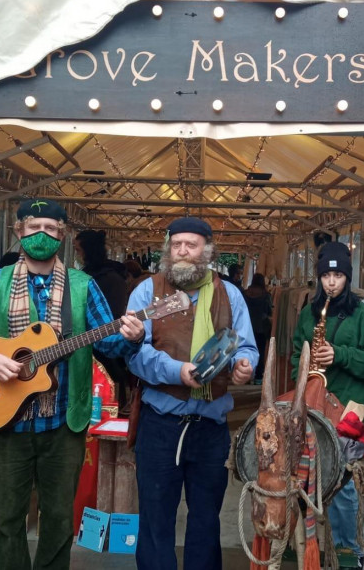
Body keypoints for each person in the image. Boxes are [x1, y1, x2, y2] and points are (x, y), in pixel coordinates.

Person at [0, 199, 144, 570]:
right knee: (7, 519)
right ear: (19, 232)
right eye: (34, 228)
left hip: (63, 424)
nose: (42, 235)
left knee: (60, 520)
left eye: (50, 228)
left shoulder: (83, 286)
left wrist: (132, 335)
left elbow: (106, 342)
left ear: (62, 235)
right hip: (5, 422)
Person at [126, 216, 258, 570]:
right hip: (160, 427)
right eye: (176, 244)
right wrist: (177, 372)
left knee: (205, 522)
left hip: (210, 428)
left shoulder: (230, 295)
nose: (183, 251)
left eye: (192, 244)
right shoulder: (146, 292)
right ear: (168, 248)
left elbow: (245, 346)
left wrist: (245, 365)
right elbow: (136, 355)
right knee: (156, 522)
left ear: (207, 251)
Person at [290, 241, 364, 569]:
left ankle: (349, 555)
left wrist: (340, 355)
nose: (332, 282)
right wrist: (303, 373)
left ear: (347, 277)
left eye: (338, 275)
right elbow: (294, 356)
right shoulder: (308, 313)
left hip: (349, 414)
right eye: (326, 275)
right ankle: (306, 549)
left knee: (344, 488)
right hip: (312, 410)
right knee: (304, 480)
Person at [74, 228, 132, 412]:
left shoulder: (103, 279)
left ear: (87, 251)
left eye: (77, 250)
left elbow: (113, 318)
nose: (77, 255)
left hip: (102, 348)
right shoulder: (107, 276)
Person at [243, 272, 273, 384]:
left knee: (246, 351)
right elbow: (269, 311)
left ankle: (246, 376)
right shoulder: (266, 295)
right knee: (260, 352)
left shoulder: (245, 293)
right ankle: (258, 377)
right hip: (261, 327)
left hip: (247, 327)